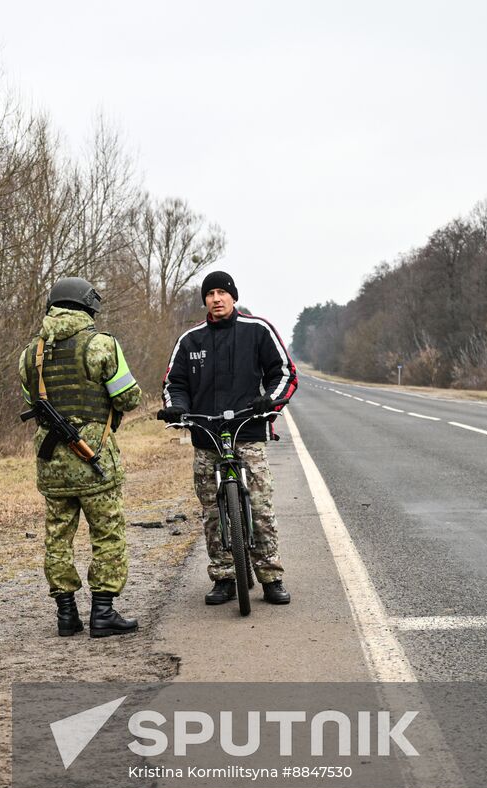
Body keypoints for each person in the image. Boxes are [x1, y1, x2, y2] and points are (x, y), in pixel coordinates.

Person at [158, 270, 297, 605]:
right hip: (206, 435)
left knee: (260, 507)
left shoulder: (257, 330)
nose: (216, 298)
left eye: (222, 292)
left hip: (248, 431)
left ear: (233, 297)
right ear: (204, 300)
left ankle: (270, 577)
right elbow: (174, 384)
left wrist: (270, 401)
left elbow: (284, 372)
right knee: (210, 510)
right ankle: (223, 576)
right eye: (210, 294)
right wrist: (177, 409)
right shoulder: (190, 340)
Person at [18, 277, 144, 637]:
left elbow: (32, 403)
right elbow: (128, 398)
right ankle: (103, 613)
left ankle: (66, 614)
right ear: (88, 307)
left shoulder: (31, 353)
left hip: (52, 465)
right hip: (94, 462)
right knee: (107, 534)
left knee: (58, 537)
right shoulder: (102, 345)